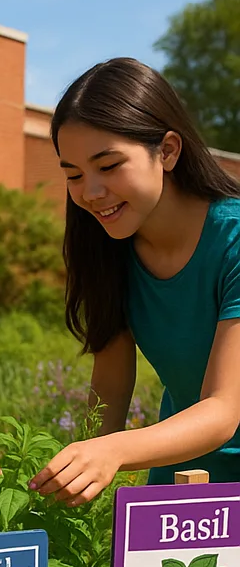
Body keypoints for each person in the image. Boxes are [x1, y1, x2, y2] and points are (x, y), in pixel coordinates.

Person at [30, 58, 240, 505]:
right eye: (73, 175)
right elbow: (108, 389)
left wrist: (111, 452)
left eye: (108, 166)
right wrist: (72, 487)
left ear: (166, 151)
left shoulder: (234, 241)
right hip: (181, 477)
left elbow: (223, 411)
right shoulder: (109, 247)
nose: (90, 192)